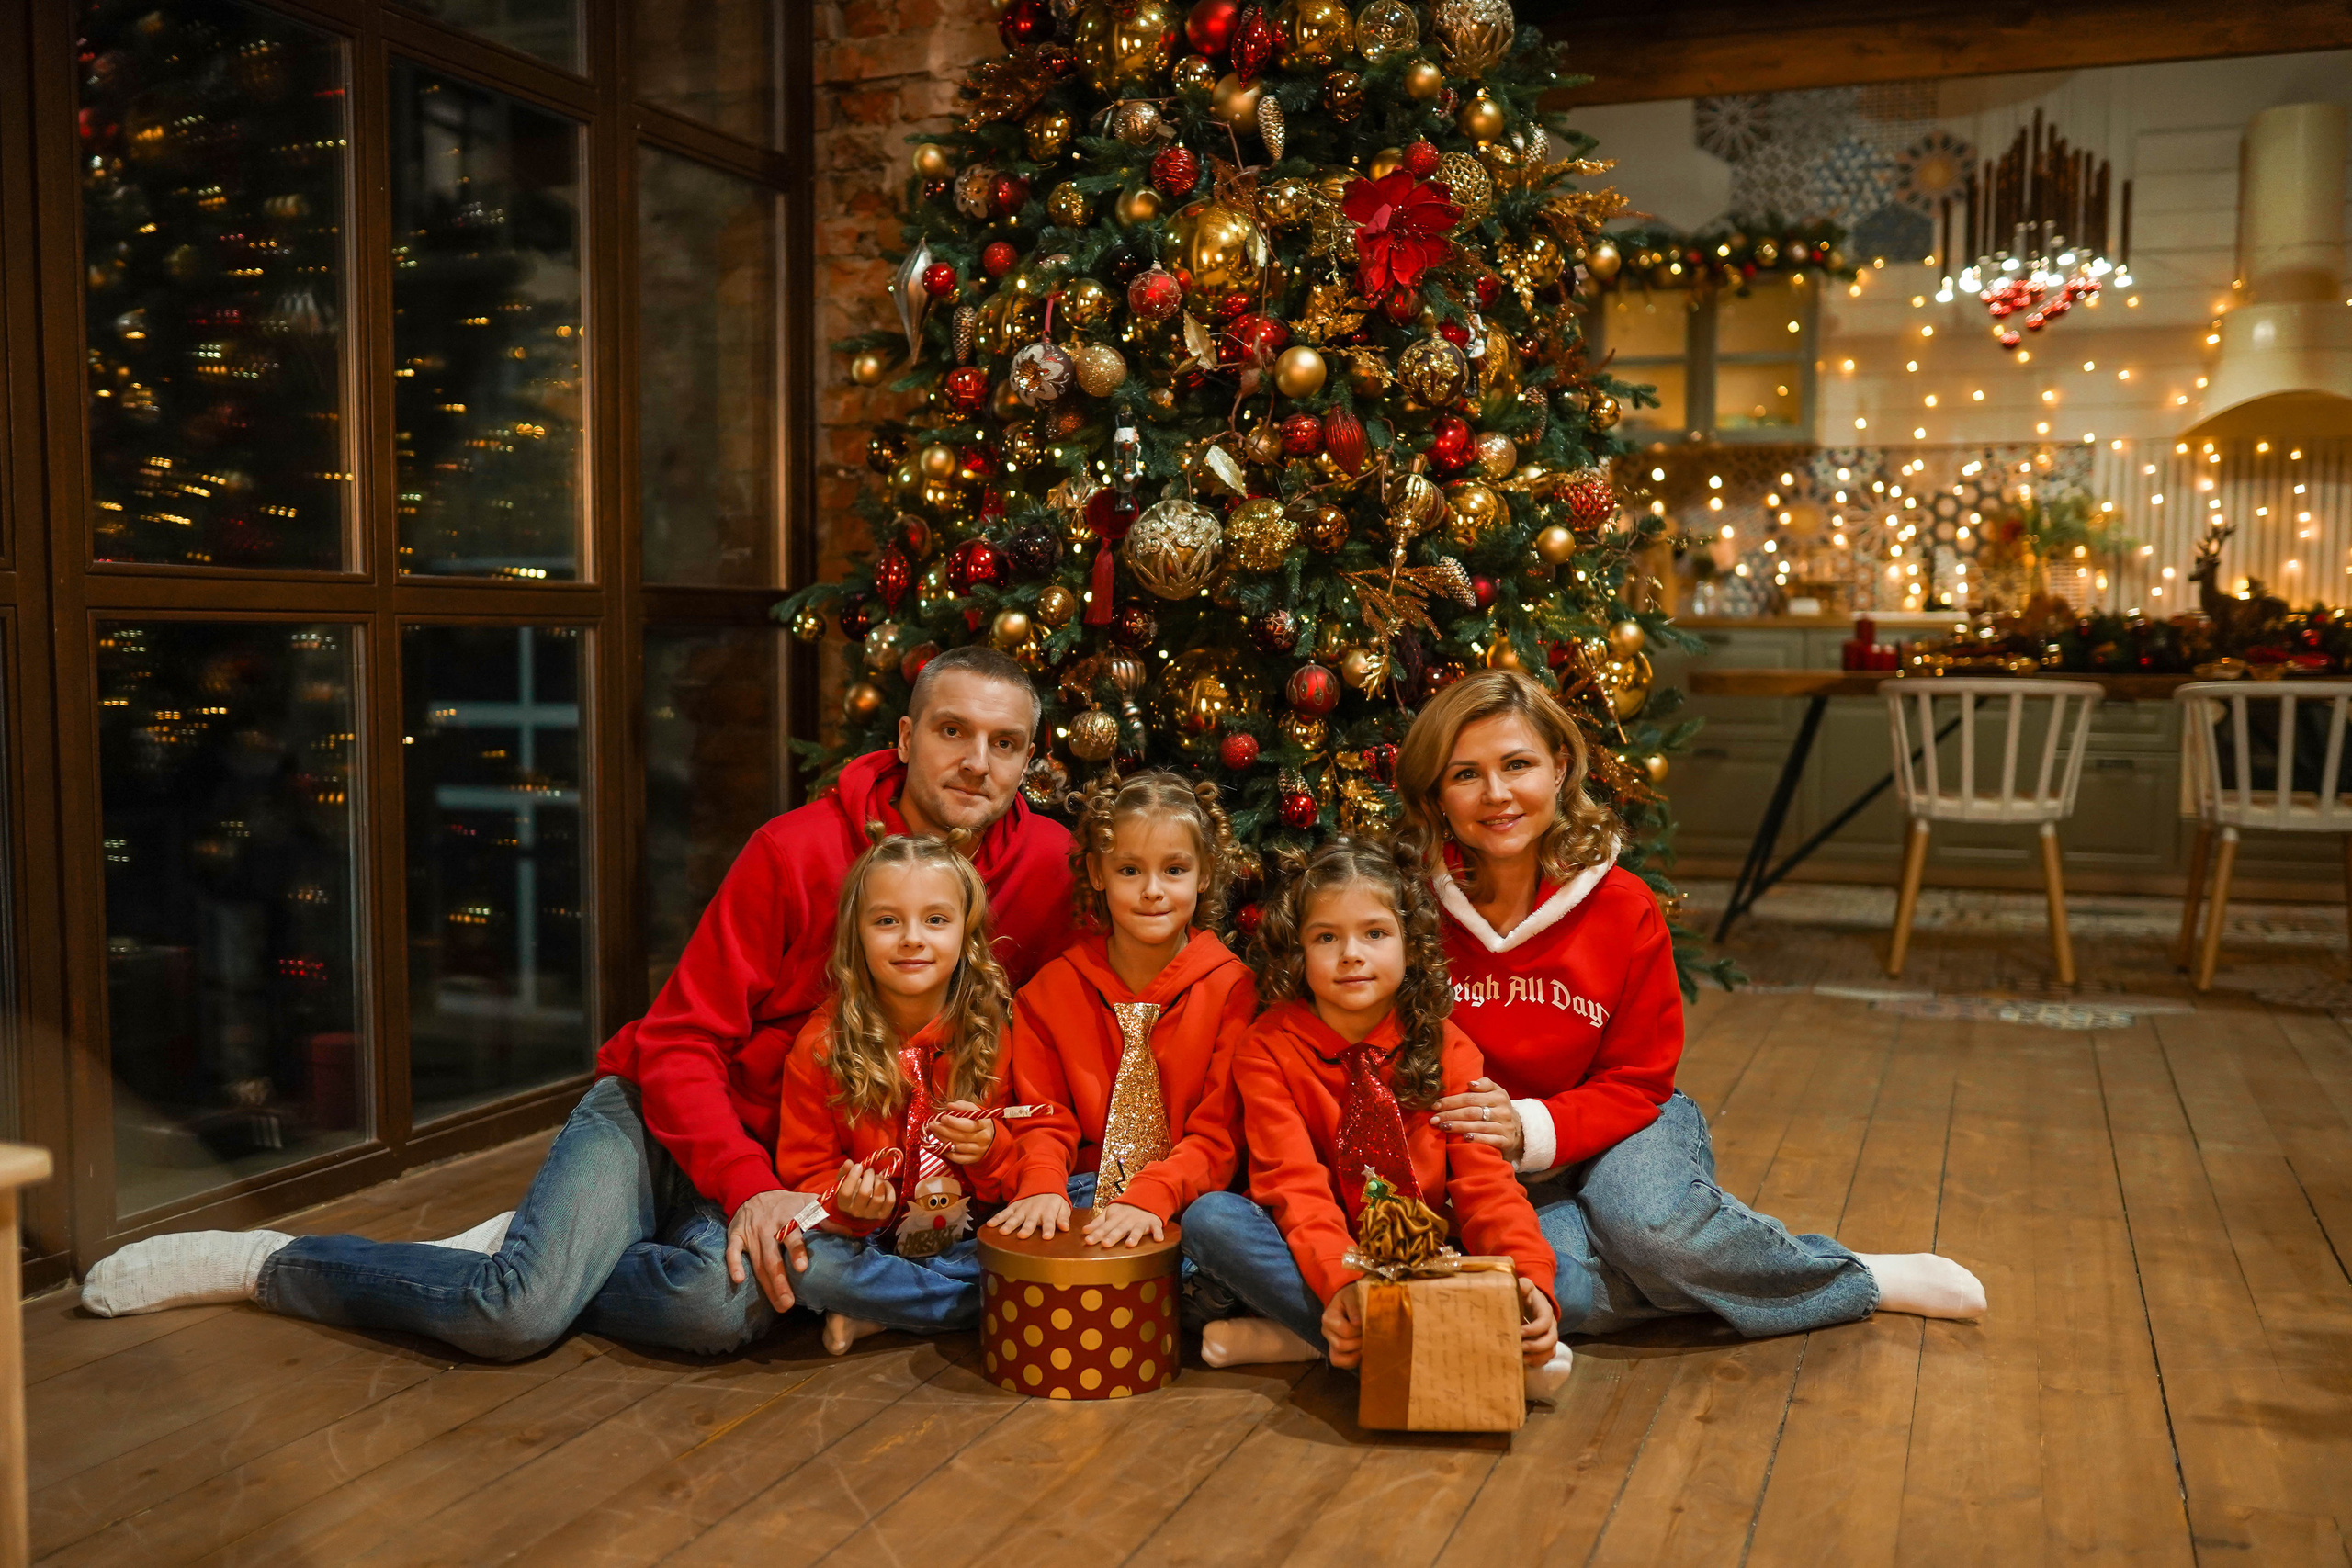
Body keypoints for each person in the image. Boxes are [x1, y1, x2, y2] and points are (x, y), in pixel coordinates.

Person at [81, 648, 1076, 1361]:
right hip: (668, 1115)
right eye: (951, 731)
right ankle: (273, 1264)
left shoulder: (1047, 869)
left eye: (1003, 742)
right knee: (511, 1319)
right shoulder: (794, 851)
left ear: (1030, 759)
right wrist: (747, 1187)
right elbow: (681, 1044)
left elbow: (1048, 1045)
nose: (974, 764)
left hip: (803, 1162)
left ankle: (555, 1245)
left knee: (716, 1318)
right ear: (906, 737)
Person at [1396, 669, 1985, 1337]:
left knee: (1650, 1227)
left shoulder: (1622, 905)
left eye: (1518, 764)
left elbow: (1640, 1079)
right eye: (1466, 773)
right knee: (1559, 1289)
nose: (1497, 793)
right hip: (1493, 1165)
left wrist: (1530, 1126)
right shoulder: (1410, 911)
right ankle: (1749, 1272)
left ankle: (1856, 1274)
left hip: (1627, 1119)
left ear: (1559, 769)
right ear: (1437, 793)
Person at [1182, 837, 1567, 1395]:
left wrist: (1529, 1278)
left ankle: (1307, 1337)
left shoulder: (1448, 1048)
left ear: (1411, 945)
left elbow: (1485, 1185)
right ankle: (1454, 1363)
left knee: (1561, 1284)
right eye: (1326, 938)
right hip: (1323, 1254)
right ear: (1298, 951)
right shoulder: (1267, 1049)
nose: (1351, 955)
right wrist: (1343, 1286)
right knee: (1211, 1221)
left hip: (1431, 1256)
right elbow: (1294, 1186)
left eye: (1375, 934)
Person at [988, 772, 1255, 1256]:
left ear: (1206, 873)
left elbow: (1219, 1136)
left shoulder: (1233, 988)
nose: (1152, 890)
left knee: (1221, 1229)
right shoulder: (1049, 992)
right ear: (1096, 873)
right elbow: (1041, 1118)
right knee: (1003, 1249)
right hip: (1082, 1191)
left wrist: (1151, 1198)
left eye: (1174, 870)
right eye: (1130, 871)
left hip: (1189, 1200)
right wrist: (1044, 1184)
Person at [775, 835, 1022, 1356]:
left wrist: (990, 1148)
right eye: (887, 921)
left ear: (967, 934)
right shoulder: (822, 1047)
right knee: (807, 1265)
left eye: (936, 920)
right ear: (856, 936)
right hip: (868, 1246)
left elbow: (1022, 1164)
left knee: (1078, 1195)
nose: (912, 938)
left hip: (973, 1238)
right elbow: (803, 1177)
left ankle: (886, 1313)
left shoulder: (993, 1031)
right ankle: (997, 1303)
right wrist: (848, 1204)